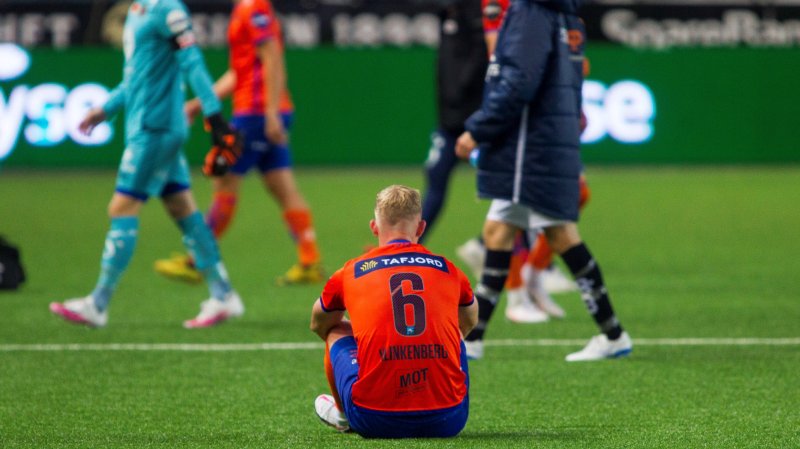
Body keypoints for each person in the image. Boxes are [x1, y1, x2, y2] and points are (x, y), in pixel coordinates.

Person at [454, 0, 633, 361]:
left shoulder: (531, 12)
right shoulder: (565, 14)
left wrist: (478, 129)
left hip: (528, 148)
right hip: (550, 139)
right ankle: (472, 340)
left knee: (551, 234)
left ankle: (613, 335)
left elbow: (518, 82)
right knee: (505, 232)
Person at [49, 0, 243, 328]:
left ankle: (98, 303)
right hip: (149, 125)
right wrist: (106, 108)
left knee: (122, 206)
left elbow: (192, 61)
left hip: (156, 128)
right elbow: (137, 74)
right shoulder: (139, 10)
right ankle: (223, 294)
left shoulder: (167, 9)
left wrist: (214, 116)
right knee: (182, 207)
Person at [154, 0, 324, 286]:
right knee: (282, 186)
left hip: (257, 113)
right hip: (264, 111)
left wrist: (271, 113)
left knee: (224, 182)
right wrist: (199, 104)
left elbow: (272, 58)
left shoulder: (253, 7)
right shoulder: (247, 7)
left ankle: (197, 261)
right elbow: (240, 71)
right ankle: (310, 261)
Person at [310, 185, 477, 438]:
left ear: (374, 227)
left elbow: (318, 323)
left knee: (336, 328)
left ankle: (343, 415)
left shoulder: (351, 271)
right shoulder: (449, 269)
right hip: (449, 419)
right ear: (421, 228)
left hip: (372, 419)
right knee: (456, 332)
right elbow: (471, 319)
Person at [421, 0, 548, 323]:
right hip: (456, 123)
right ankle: (402, 252)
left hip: (479, 123)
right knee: (503, 197)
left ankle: (525, 279)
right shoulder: (454, 15)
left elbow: (491, 71)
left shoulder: (485, 16)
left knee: (512, 197)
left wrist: (479, 122)